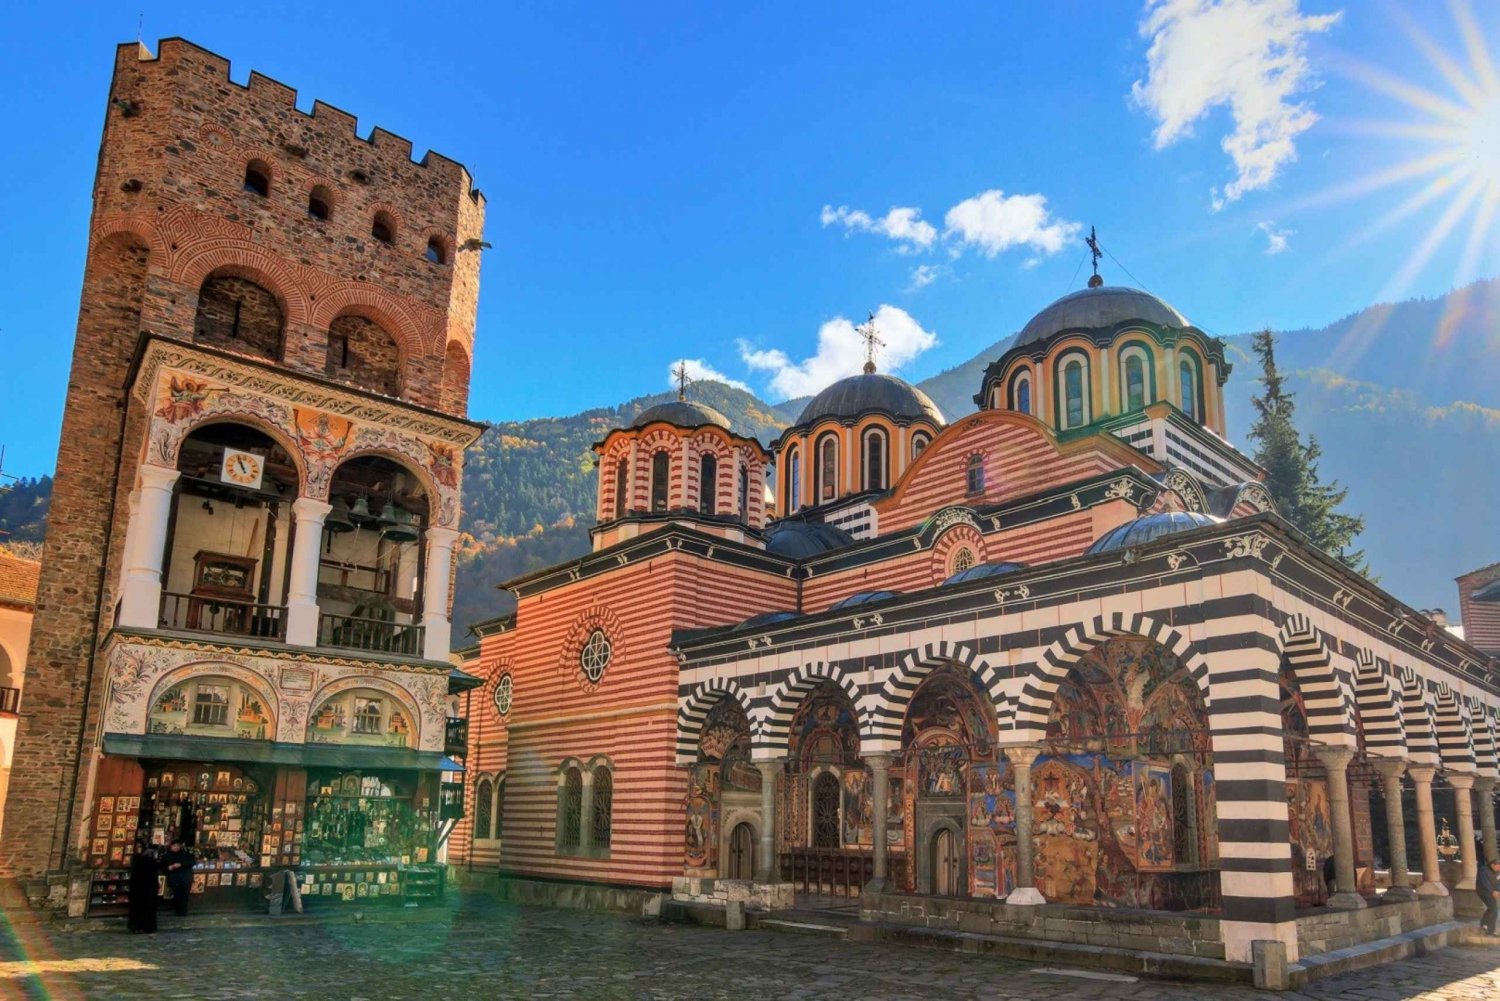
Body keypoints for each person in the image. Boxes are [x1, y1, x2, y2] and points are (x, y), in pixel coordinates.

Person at [126, 840, 158, 933]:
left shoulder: (138, 861)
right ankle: (147, 927)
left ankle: (136, 926)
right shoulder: (150, 862)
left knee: (138, 908)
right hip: (148, 889)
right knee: (147, 909)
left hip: (138, 889)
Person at [161, 838, 195, 917]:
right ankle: (178, 911)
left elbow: (192, 862)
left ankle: (183, 911)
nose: (176, 847)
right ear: (171, 846)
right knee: (176, 895)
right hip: (174, 879)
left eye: (178, 846)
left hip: (185, 878)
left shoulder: (185, 854)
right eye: (174, 846)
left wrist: (181, 864)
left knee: (185, 896)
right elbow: (162, 866)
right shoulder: (166, 856)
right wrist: (168, 868)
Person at [1477, 857, 1500, 936]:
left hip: (1493, 892)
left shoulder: (1497, 872)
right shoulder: (1483, 870)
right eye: (1498, 867)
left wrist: (1498, 891)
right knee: (1493, 908)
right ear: (1493, 865)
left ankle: (1487, 925)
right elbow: (1484, 882)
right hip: (1483, 892)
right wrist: (1492, 891)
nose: (1499, 869)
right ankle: (1489, 928)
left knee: (1493, 908)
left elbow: (1498, 883)